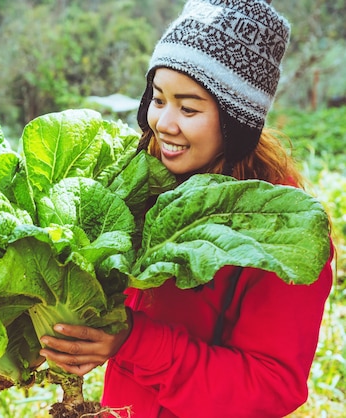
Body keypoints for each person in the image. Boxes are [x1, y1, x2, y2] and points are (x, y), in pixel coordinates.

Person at [39, 0, 334, 417]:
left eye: (189, 108)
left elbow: (272, 386)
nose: (164, 123)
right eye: (158, 99)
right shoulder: (137, 183)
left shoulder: (282, 228)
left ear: (237, 122)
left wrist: (131, 340)